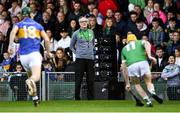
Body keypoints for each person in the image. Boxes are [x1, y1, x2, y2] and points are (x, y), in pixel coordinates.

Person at [8, 7, 51, 107]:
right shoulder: (38, 25)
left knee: (30, 76)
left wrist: (10, 46)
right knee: (35, 77)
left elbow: (13, 33)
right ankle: (30, 82)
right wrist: (48, 52)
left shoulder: (18, 24)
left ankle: (35, 99)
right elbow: (47, 40)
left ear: (22, 15)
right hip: (34, 54)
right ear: (31, 14)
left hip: (23, 57)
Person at [121, 33, 163, 107]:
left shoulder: (124, 49)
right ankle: (152, 92)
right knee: (148, 82)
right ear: (135, 39)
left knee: (137, 84)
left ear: (127, 41)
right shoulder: (140, 42)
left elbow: (124, 67)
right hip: (143, 62)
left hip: (131, 66)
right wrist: (149, 55)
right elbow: (147, 43)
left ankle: (148, 101)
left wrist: (127, 83)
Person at [70, 16, 95, 100]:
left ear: (87, 23)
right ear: (79, 23)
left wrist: (91, 51)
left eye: (85, 21)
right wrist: (77, 53)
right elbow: (71, 46)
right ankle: (77, 98)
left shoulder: (91, 32)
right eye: (82, 22)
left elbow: (93, 43)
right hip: (80, 59)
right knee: (78, 79)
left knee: (90, 79)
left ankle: (91, 98)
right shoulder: (76, 33)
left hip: (90, 59)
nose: (84, 23)